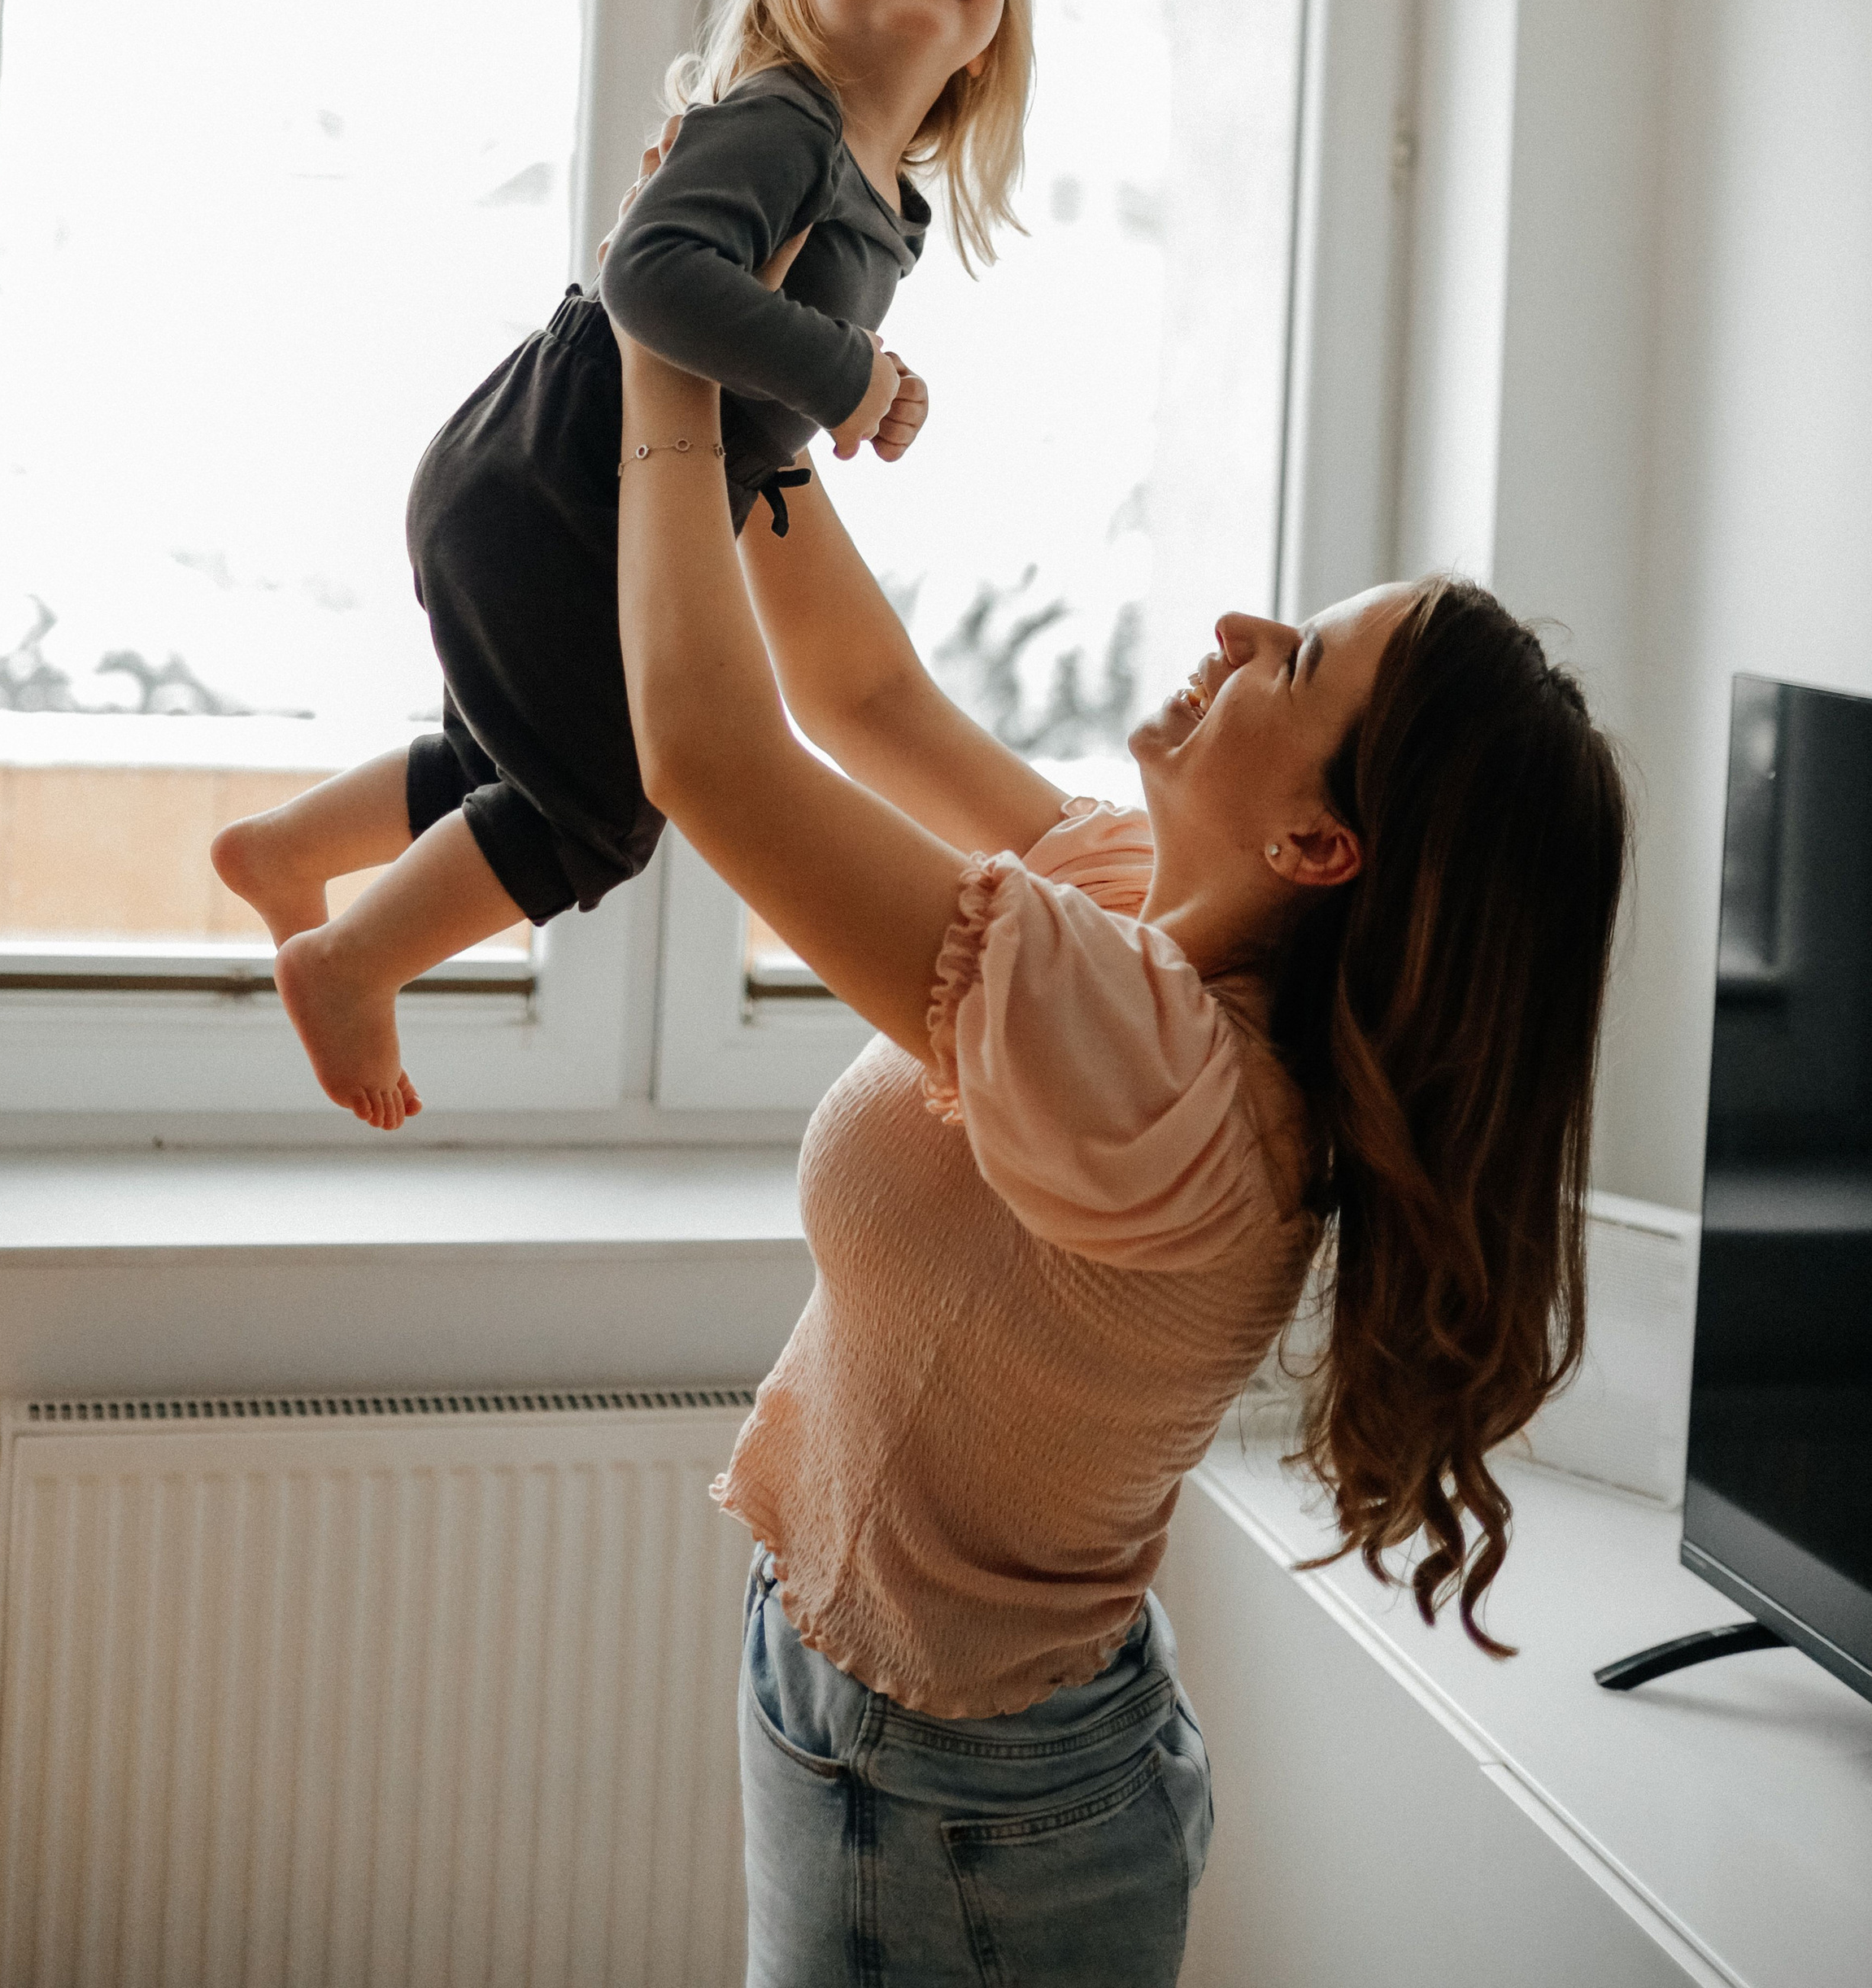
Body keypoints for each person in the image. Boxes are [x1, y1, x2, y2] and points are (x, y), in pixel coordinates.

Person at [606, 324, 1630, 1986]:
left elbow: (709, 758)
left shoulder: (1165, 1086)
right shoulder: (1127, 909)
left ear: (1313, 842)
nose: (1234, 631)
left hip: (950, 1809)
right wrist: (748, 388)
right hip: (902, 1732)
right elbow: (860, 698)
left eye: (1291, 665)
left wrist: (662, 350)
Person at [211, 0, 1035, 1127]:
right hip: (560, 483)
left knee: (502, 765)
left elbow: (759, 341)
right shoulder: (787, 121)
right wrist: (844, 376)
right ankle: (351, 959)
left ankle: (286, 849)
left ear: (999, 26)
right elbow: (650, 276)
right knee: (599, 809)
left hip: (553, 481)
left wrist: (862, 382)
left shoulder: (890, 201)